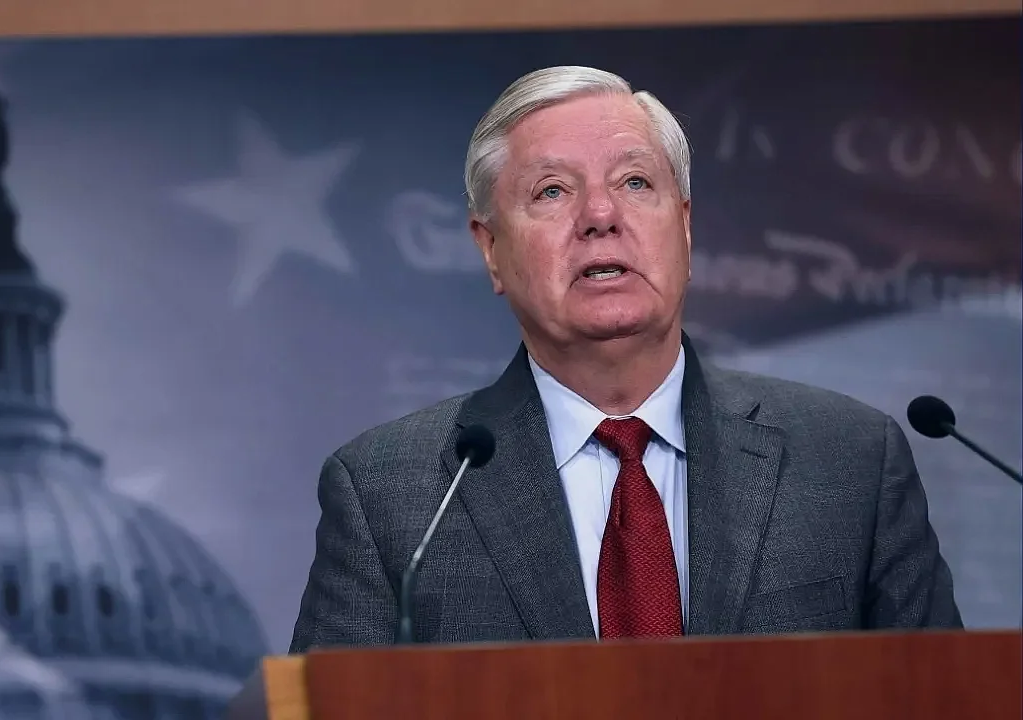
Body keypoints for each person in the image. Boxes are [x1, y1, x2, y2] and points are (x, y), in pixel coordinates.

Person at [287, 66, 962, 650]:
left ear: (685, 227)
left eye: (635, 182)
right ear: (490, 250)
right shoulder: (390, 496)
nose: (601, 214)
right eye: (552, 191)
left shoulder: (850, 461)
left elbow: (943, 700)